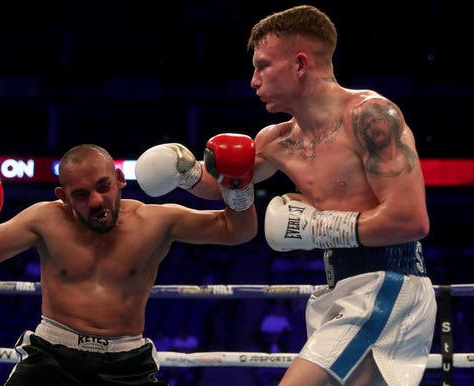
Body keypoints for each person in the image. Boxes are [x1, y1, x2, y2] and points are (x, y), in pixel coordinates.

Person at [136, 5, 437, 386]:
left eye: (262, 66)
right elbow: (227, 186)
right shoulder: (277, 141)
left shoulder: (371, 118)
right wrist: (186, 171)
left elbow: (411, 220)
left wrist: (317, 229)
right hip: (341, 286)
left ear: (299, 64)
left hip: (389, 282)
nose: (253, 81)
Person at [0, 140, 257, 386]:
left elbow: (237, 230)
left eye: (103, 186)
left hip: (126, 363)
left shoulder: (154, 222)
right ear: (64, 197)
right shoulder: (45, 219)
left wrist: (237, 184)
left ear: (120, 180)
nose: (97, 201)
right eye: (81, 195)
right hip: (52, 358)